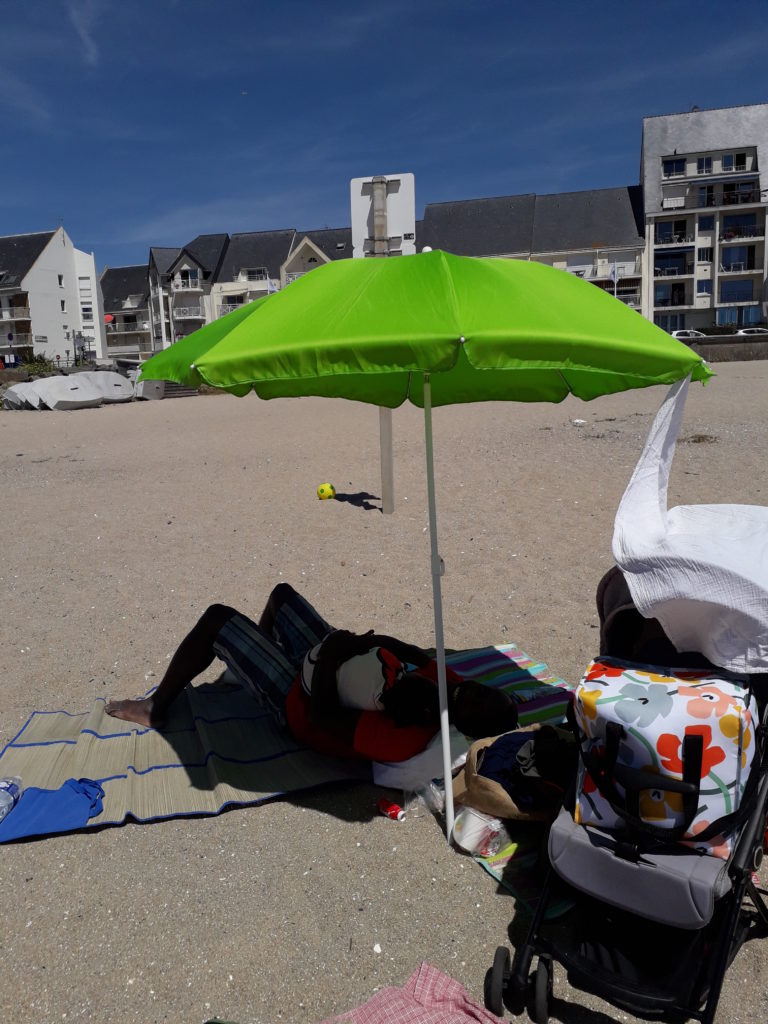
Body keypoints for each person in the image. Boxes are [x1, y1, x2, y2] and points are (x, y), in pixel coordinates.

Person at [105, 583, 518, 762]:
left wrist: (333, 657)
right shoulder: (457, 692)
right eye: (479, 688)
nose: (468, 688)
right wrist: (358, 643)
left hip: (299, 702)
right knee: (282, 594)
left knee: (216, 618)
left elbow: (322, 718)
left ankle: (157, 707)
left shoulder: (401, 736)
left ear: (463, 727)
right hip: (341, 661)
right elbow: (408, 651)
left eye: (476, 697)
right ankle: (250, 662)